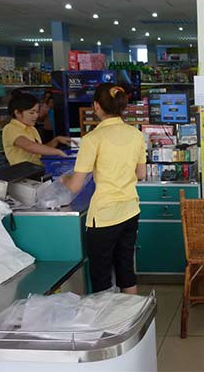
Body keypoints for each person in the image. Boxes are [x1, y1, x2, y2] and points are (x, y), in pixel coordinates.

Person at [62, 84, 147, 294]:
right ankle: (131, 319)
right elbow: (141, 174)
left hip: (104, 216)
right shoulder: (135, 134)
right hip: (130, 210)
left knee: (101, 275)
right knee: (126, 269)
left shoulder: (92, 139)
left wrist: (64, 178)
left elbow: (75, 185)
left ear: (96, 106)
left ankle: (106, 321)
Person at [2, 90, 74, 166]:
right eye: (32, 112)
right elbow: (29, 146)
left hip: (37, 170)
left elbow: (41, 149)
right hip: (22, 173)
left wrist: (56, 140)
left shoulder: (32, 128)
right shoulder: (10, 128)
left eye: (37, 112)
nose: (36, 116)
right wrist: (57, 152)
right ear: (17, 113)